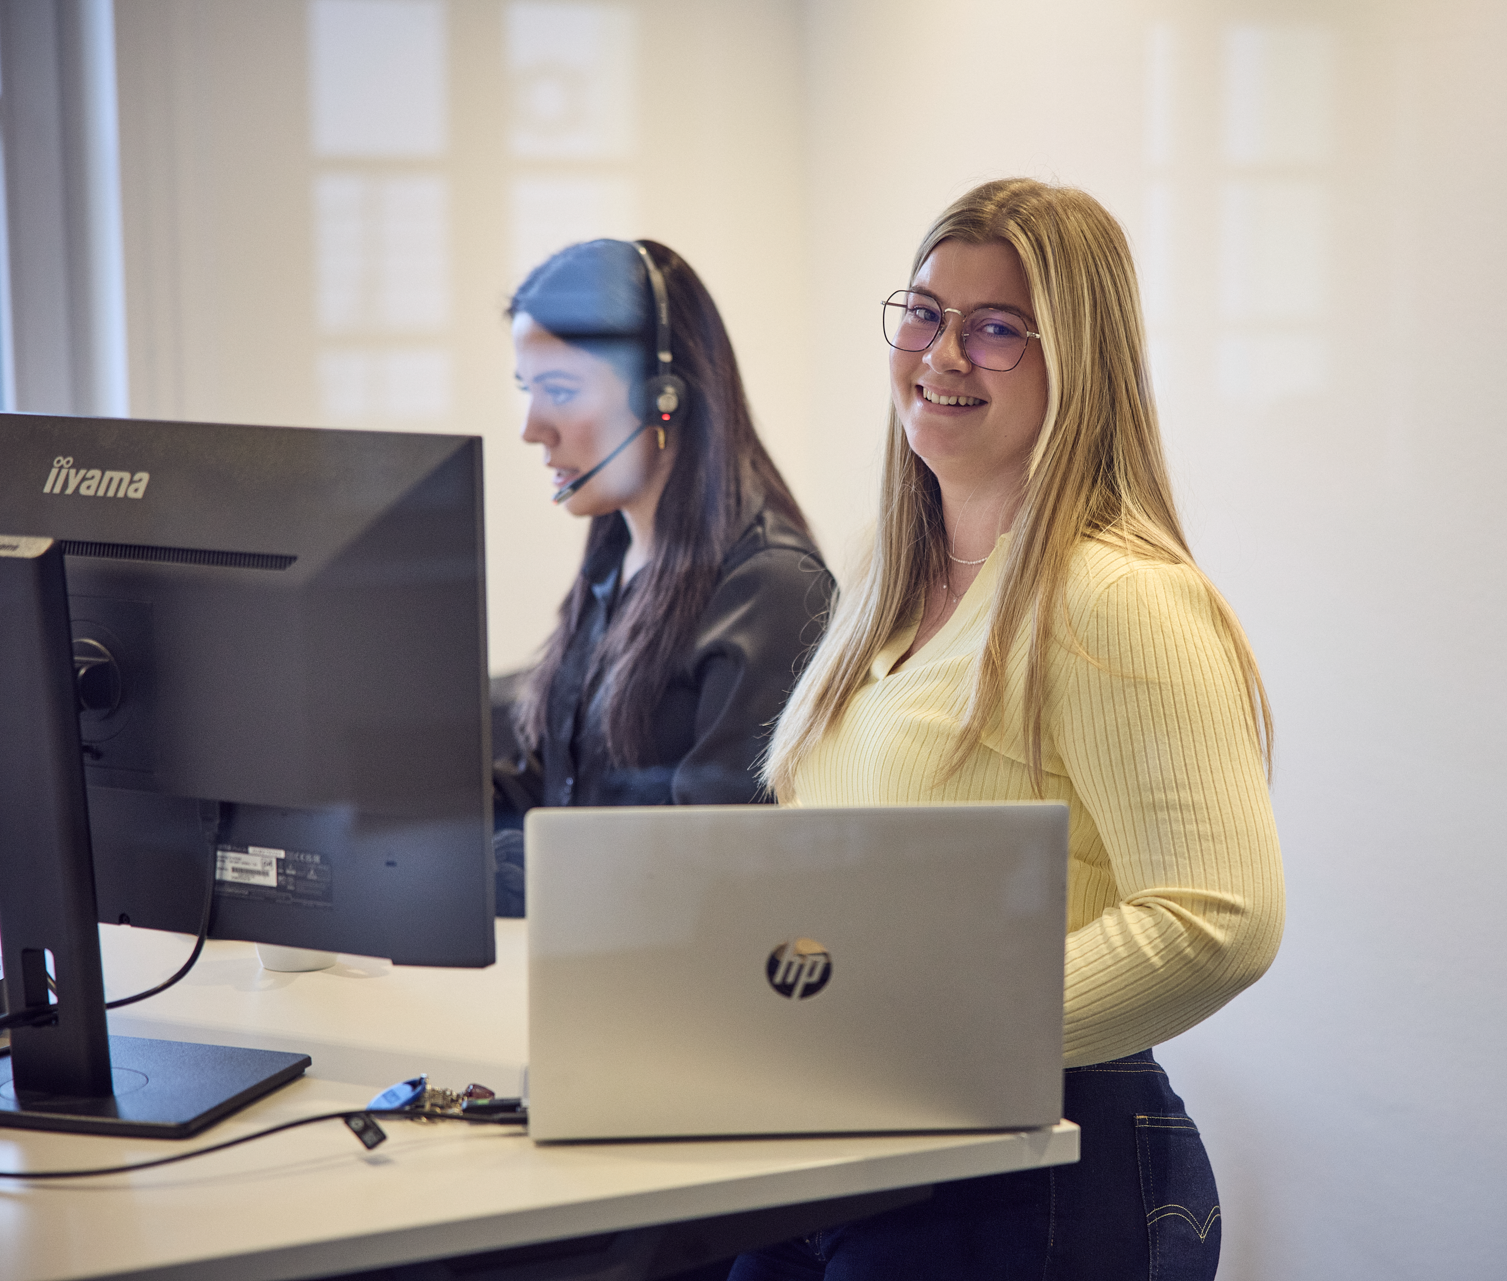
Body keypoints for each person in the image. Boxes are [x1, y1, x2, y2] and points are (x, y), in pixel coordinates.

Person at [742, 180, 1285, 1279]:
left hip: (1036, 1166)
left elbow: (1219, 919)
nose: (942, 355)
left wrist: (940, 1027)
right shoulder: (886, 586)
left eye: (996, 330)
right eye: (924, 314)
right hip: (859, 1143)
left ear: (1078, 363)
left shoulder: (1115, 595)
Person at [493, 239, 834, 915]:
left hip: (670, 964)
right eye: (529, 392)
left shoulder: (770, 588)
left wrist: (501, 869)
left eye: (559, 391)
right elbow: (555, 786)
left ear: (663, 398)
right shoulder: (615, 553)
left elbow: (704, 860)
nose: (533, 429)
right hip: (582, 948)